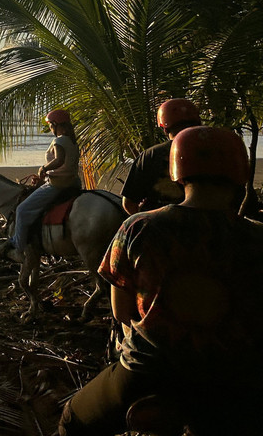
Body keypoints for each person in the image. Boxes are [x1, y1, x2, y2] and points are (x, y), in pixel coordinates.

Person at [58, 125, 263, 436]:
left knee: (73, 421)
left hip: (148, 371)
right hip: (235, 376)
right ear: (240, 173)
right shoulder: (257, 236)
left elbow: (122, 312)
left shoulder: (138, 228)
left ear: (177, 172)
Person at [0, 109, 81, 260]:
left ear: (56, 125)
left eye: (50, 125)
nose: (50, 128)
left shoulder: (60, 141)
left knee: (23, 209)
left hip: (58, 185)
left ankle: (18, 248)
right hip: (73, 183)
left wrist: (44, 168)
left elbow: (60, 160)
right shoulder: (73, 141)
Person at [120, 98, 200, 214]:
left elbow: (128, 203)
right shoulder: (217, 149)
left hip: (162, 228)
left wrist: (147, 222)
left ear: (165, 128)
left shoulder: (150, 155)